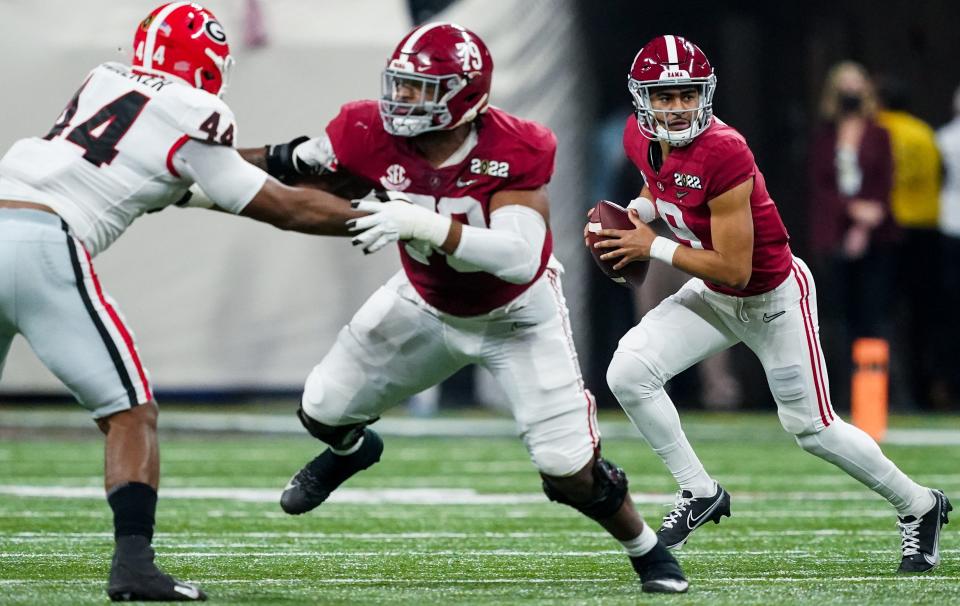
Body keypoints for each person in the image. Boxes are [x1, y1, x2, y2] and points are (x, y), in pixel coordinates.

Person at [250, 22, 688, 593]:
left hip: (516, 316)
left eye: (420, 89)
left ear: (464, 94)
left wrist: (423, 222)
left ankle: (647, 550)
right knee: (321, 408)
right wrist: (190, 164)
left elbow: (519, 256)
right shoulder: (366, 128)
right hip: (426, 302)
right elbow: (290, 163)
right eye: (400, 85)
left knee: (568, 470)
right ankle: (352, 450)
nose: (402, 100)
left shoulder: (516, 145)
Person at [0, 3, 365, 601]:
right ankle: (135, 567)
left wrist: (279, 158)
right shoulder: (194, 110)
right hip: (45, 241)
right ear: (209, 64)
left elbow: (174, 164)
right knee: (129, 414)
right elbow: (285, 208)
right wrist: (391, 221)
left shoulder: (104, 81)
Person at [590, 35, 951, 572]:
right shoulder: (638, 137)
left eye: (686, 94)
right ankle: (698, 490)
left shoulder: (724, 149)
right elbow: (657, 184)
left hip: (771, 295)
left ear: (704, 94)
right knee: (627, 373)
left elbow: (736, 267)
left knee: (812, 429)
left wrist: (653, 244)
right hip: (714, 296)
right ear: (643, 99)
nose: (676, 106)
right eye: (663, 96)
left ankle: (919, 505)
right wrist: (636, 213)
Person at [808, 62, 897, 408]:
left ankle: (872, 401)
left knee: (873, 316)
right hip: (833, 235)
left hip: (877, 236)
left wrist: (864, 223)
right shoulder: (824, 137)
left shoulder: (879, 133)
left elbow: (884, 182)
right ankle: (836, 398)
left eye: (856, 84)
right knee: (836, 317)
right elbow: (821, 186)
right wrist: (850, 211)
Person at [875, 78, 944, 409]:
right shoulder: (924, 133)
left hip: (893, 230)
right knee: (924, 316)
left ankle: (885, 391)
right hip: (929, 229)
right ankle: (925, 388)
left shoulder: (881, 130)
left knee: (883, 312)